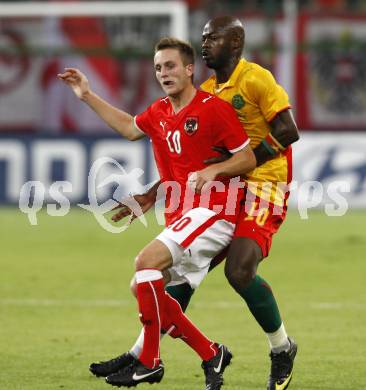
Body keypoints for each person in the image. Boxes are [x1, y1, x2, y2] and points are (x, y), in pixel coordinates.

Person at [91, 16, 300, 390]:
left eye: (214, 38)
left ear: (235, 42)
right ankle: (144, 352)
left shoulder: (256, 79)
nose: (206, 44)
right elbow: (195, 162)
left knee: (238, 271)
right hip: (223, 187)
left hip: (264, 186)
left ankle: (281, 348)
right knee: (175, 283)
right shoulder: (205, 91)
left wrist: (235, 163)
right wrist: (155, 193)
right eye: (203, 38)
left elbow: (288, 131)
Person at [58, 37, 256, 389]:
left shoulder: (214, 108)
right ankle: (211, 352)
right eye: (159, 68)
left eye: (171, 66)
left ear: (190, 69)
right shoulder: (160, 112)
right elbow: (127, 127)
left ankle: (150, 361)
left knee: (144, 262)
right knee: (143, 287)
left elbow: (247, 158)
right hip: (184, 215)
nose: (164, 73)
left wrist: (213, 172)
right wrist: (86, 95)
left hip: (216, 211)